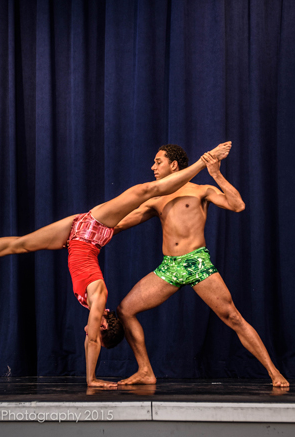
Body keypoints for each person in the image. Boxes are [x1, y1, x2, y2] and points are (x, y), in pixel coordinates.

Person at [0, 142, 232, 388]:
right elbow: (92, 338)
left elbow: (92, 335)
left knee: (20, 244)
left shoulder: (91, 299)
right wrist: (92, 379)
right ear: (104, 323)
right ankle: (203, 161)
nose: (89, 330)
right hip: (93, 227)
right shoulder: (98, 296)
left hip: (77, 233)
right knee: (145, 191)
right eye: (98, 329)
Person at [113, 144, 289, 388]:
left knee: (233, 317)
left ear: (174, 165)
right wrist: (83, 233)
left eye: (158, 162)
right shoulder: (154, 198)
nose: (153, 167)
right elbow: (119, 224)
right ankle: (145, 371)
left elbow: (237, 205)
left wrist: (215, 173)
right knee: (125, 310)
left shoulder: (201, 190)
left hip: (196, 262)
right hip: (169, 267)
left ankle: (274, 372)